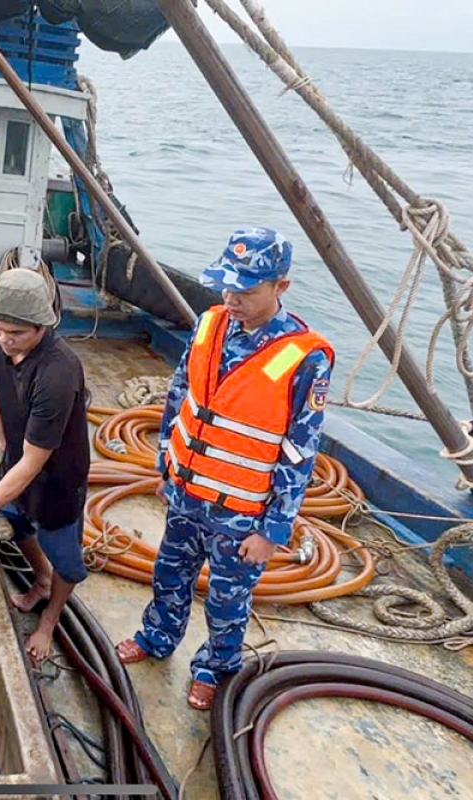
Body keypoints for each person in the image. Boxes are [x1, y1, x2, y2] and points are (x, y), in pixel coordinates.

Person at [115, 227, 334, 711]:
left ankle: (214, 668)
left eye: (246, 291)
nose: (232, 299)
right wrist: (166, 467)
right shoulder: (210, 324)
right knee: (168, 575)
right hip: (186, 494)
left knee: (227, 602)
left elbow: (300, 452)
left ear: (280, 287)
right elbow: (180, 396)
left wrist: (272, 531)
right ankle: (156, 637)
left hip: (241, 514)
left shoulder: (306, 359)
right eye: (226, 287)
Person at [0, 268, 90, 664]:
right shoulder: (0, 342)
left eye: (17, 333)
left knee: (66, 560)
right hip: (18, 459)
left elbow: (33, 464)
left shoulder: (58, 373)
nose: (5, 339)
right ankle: (40, 579)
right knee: (18, 525)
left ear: (42, 326)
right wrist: (3, 434)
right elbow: (2, 389)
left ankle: (50, 619)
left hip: (57, 480)